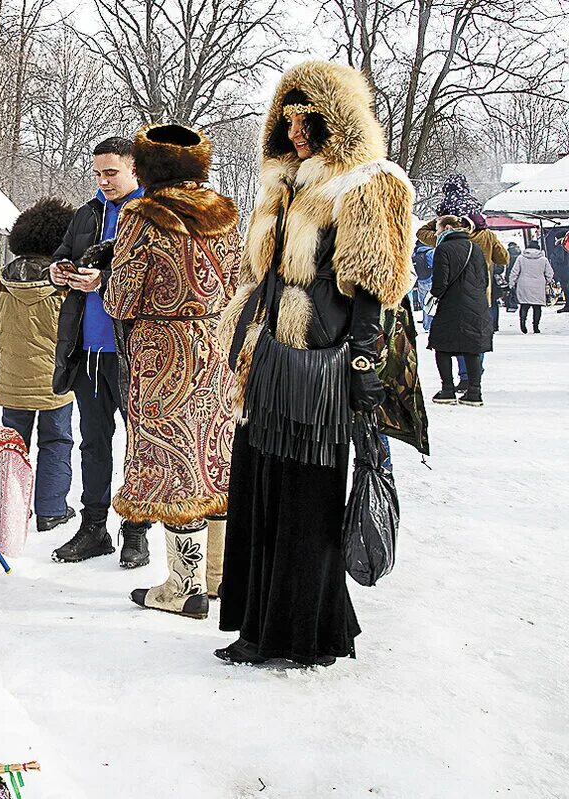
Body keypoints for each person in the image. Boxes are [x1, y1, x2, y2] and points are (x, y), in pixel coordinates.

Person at [217, 61, 414, 667]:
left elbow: (377, 286)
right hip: (268, 361)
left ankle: (303, 634)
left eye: (312, 120)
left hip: (322, 369)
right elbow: (259, 273)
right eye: (289, 119)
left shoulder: (369, 182)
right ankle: (260, 628)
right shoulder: (279, 184)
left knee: (307, 500)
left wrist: (360, 365)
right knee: (261, 488)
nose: (298, 131)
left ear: (340, 122)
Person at [103, 123, 241, 614]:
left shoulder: (143, 215)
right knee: (214, 462)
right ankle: (220, 578)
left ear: (147, 168)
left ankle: (184, 589)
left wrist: (106, 270)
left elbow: (121, 301)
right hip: (218, 351)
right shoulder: (227, 214)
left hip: (165, 354)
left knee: (174, 466)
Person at [48, 136, 145, 565]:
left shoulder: (151, 214)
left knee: (141, 445)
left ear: (135, 170)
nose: (103, 181)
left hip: (138, 352)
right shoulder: (87, 213)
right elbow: (64, 254)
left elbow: (159, 281)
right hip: (87, 349)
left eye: (112, 172)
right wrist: (59, 270)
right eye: (98, 173)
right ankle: (93, 528)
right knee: (93, 441)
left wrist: (104, 282)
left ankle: (136, 530)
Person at [0, 197, 77, 533]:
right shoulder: (61, 284)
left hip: (11, 380)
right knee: (56, 442)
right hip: (54, 383)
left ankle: (12, 508)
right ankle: (51, 509)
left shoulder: (1, 280)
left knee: (13, 446)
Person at [428, 216, 493, 406]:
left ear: (447, 228)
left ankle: (447, 390)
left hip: (451, 304)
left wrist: (434, 296)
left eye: (438, 230)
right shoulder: (476, 248)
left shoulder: (444, 249)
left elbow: (440, 282)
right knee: (472, 347)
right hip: (476, 304)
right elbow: (484, 279)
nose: (437, 234)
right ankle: (474, 392)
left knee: (442, 346)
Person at [510, 240, 554, 334]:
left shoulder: (521, 258)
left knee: (524, 305)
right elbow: (550, 273)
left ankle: (522, 322)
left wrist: (512, 283)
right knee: (537, 307)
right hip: (538, 285)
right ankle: (536, 327)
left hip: (524, 284)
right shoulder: (543, 259)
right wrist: (546, 281)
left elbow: (514, 272)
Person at [412, 242, 434, 332]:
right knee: (433, 303)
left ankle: (426, 325)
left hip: (421, 281)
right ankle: (431, 324)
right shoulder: (431, 252)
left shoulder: (415, 253)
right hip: (431, 280)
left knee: (425, 303)